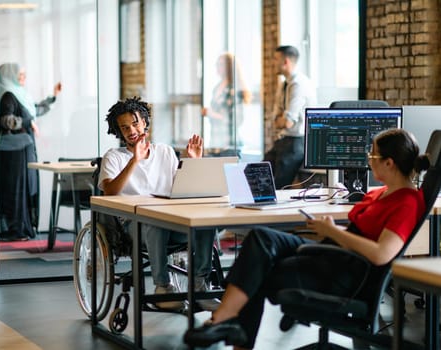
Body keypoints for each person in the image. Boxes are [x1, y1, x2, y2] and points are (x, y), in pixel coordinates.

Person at [184, 128, 430, 349]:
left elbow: (381, 254)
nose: (368, 159)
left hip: (344, 273)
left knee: (257, 271)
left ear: (389, 163)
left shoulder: (406, 203)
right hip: (334, 254)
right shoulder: (381, 193)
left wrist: (333, 233)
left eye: (373, 156)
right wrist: (332, 232)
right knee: (261, 238)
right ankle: (225, 321)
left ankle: (224, 322)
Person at [98, 96, 219, 311]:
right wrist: (135, 160)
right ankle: (163, 287)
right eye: (124, 128)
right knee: (153, 220)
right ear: (119, 132)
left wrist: (192, 163)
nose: (131, 131)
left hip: (171, 221)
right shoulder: (114, 157)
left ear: (144, 121)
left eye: (135, 123)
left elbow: (181, 190)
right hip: (134, 226)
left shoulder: (164, 151)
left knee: (205, 222)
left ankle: (201, 286)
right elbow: (109, 191)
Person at [0, 62, 62, 241]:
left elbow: (35, 110)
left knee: (28, 186)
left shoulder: (19, 94)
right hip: (14, 153)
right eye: (20, 74)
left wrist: (53, 97)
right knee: (18, 188)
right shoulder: (8, 97)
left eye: (24, 74)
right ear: (10, 75)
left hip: (24, 148)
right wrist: (27, 121)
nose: (23, 78)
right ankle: (16, 228)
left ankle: (25, 227)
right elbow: (6, 121)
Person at [264, 45, 316, 189]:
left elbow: (287, 122)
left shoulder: (298, 85)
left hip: (297, 143)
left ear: (285, 61)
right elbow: (276, 119)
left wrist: (280, 119)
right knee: (258, 173)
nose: (273, 63)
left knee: (278, 187)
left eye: (275, 59)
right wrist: (279, 119)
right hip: (284, 140)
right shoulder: (285, 84)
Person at [202, 52, 251, 149]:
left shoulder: (234, 89)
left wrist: (211, 114)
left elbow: (237, 120)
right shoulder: (216, 87)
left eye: (220, 64)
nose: (217, 67)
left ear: (229, 66)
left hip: (229, 144)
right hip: (215, 142)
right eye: (217, 64)